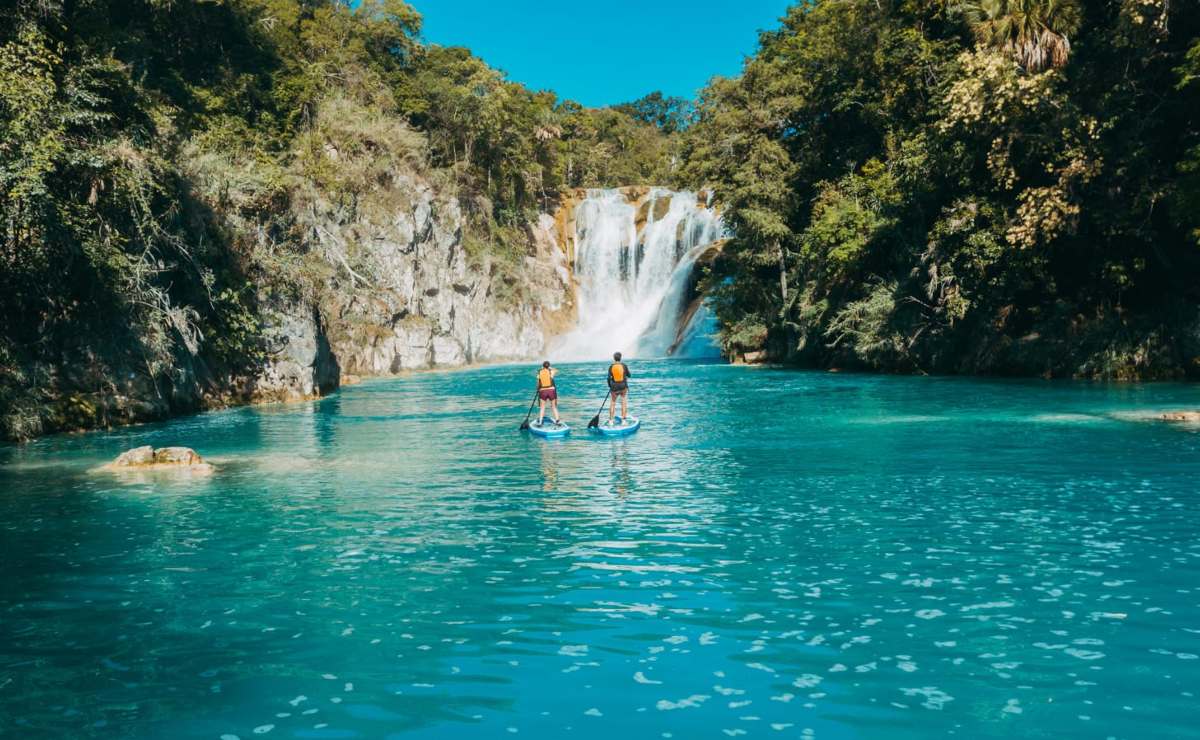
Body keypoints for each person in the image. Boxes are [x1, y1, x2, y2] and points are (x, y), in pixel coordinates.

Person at [606, 351, 631, 425]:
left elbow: (608, 378)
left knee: (613, 403)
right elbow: (629, 375)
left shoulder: (611, 367)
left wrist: (610, 386)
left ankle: (611, 421)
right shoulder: (624, 366)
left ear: (614, 358)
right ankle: (623, 420)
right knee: (623, 402)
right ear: (620, 358)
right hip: (623, 386)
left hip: (614, 387)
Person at [535, 360, 561, 426]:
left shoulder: (539, 372)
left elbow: (538, 384)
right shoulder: (551, 371)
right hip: (551, 391)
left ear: (543, 366)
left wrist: (537, 390)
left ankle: (540, 422)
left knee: (542, 407)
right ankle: (557, 421)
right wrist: (550, 367)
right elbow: (557, 370)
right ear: (548, 366)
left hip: (543, 391)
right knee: (554, 407)